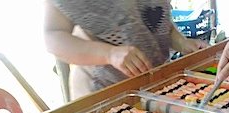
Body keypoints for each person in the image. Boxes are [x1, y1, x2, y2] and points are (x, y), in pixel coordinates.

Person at [44, 0, 208, 99]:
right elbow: (53, 38)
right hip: (103, 92)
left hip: (153, 85)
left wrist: (181, 42)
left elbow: (156, 19)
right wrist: (109, 54)